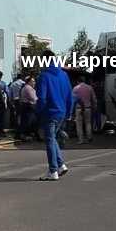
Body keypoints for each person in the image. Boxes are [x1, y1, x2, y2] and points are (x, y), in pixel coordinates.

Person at [36, 51, 73, 181]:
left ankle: (53, 170)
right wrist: (68, 113)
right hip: (62, 112)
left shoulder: (44, 76)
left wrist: (38, 111)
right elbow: (70, 96)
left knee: (50, 140)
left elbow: (41, 98)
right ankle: (60, 165)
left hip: (50, 112)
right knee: (53, 138)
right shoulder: (64, 75)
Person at [72, 74, 97, 144]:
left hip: (78, 108)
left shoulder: (75, 88)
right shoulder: (90, 88)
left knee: (79, 125)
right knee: (88, 123)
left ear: (77, 81)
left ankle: (81, 140)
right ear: (84, 81)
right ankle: (89, 137)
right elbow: (94, 98)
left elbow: (73, 100)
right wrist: (95, 106)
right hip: (87, 108)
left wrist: (72, 110)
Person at [20, 76, 38, 141]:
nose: (34, 82)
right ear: (29, 82)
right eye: (33, 81)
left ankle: (26, 135)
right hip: (29, 106)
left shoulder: (26, 87)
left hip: (27, 106)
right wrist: (38, 99)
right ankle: (26, 135)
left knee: (27, 121)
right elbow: (33, 98)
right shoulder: (28, 88)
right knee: (28, 121)